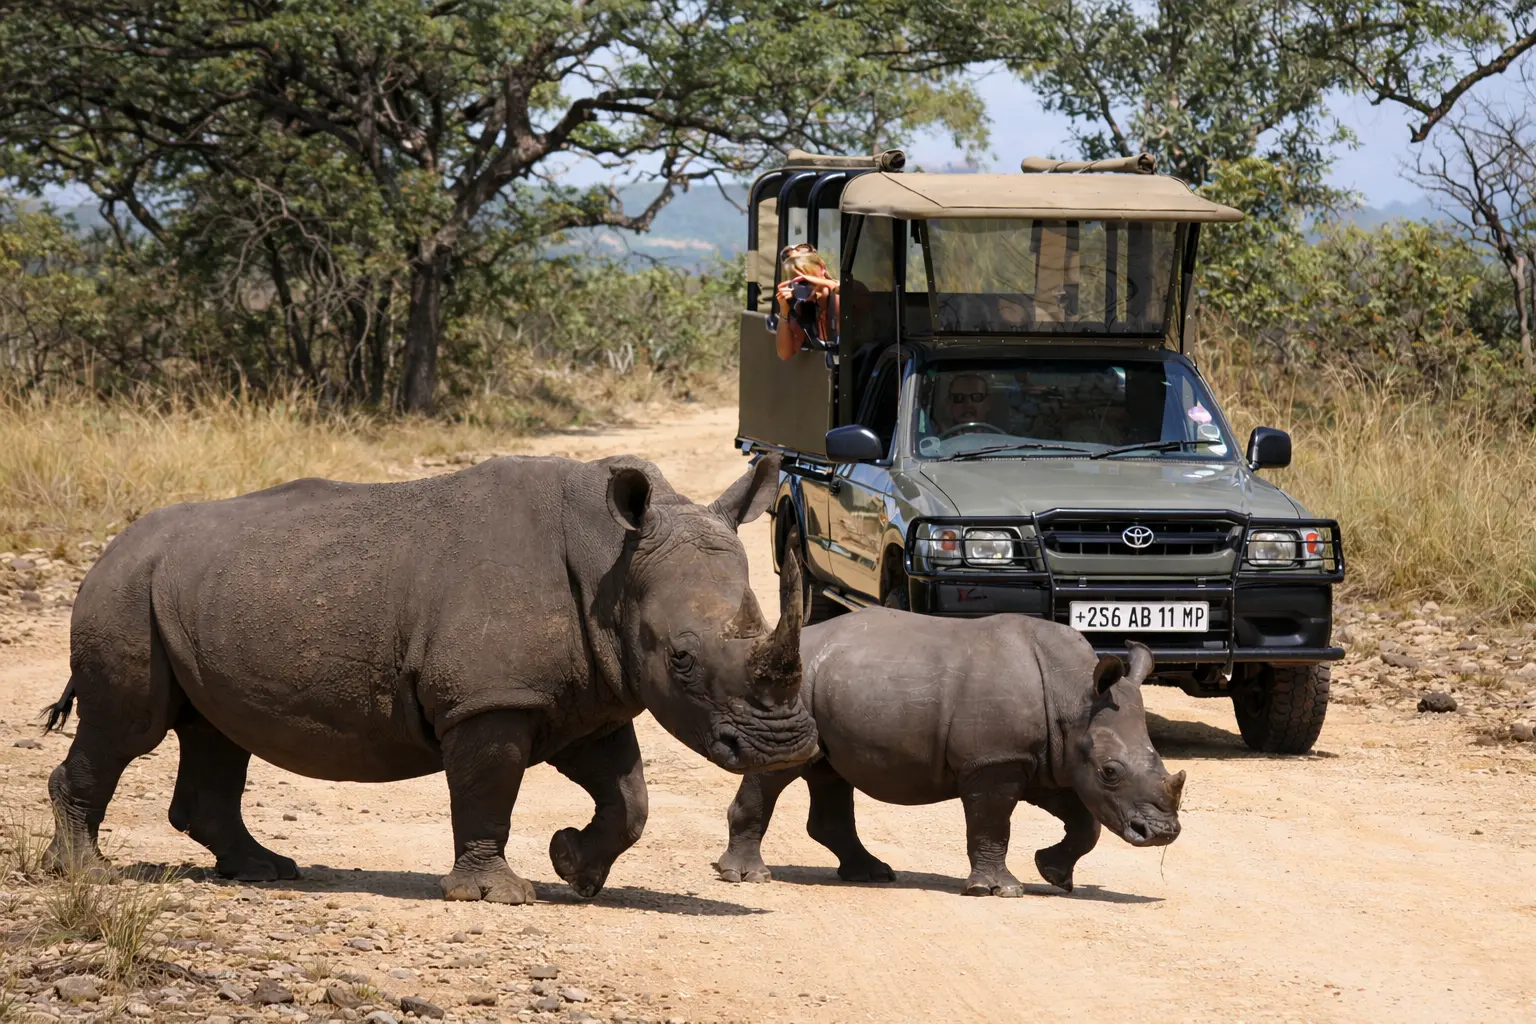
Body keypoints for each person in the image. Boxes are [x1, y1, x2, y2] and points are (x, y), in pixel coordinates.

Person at [774, 243, 839, 360]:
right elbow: (785, 353)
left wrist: (827, 284)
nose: (805, 284)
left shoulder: (840, 296)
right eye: (799, 282)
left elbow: (854, 292)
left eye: (805, 277)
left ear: (822, 268)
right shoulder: (802, 308)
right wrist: (784, 310)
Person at [933, 372, 998, 435]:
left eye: (976, 397)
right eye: (959, 398)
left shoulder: (1001, 441)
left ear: (987, 403)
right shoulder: (936, 442)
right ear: (949, 404)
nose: (968, 404)